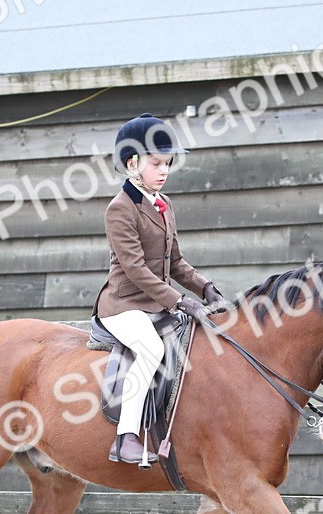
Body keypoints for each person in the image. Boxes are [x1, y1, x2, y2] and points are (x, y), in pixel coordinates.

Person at [94, 113, 225, 466]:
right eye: (156, 163)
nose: (164, 170)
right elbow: (136, 269)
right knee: (151, 349)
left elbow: (176, 262)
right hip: (123, 305)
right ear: (132, 164)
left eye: (167, 163)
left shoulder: (163, 204)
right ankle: (125, 437)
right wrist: (180, 301)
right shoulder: (119, 209)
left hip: (156, 304)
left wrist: (206, 287)